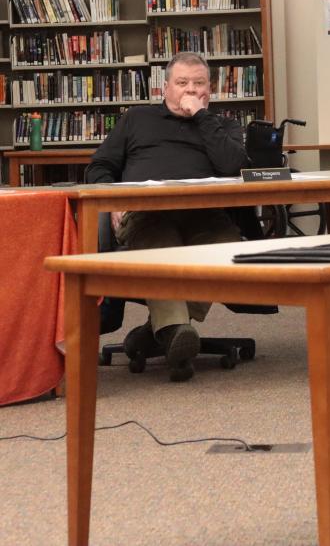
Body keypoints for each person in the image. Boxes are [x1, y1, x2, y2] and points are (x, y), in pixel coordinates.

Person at [86, 51, 248, 382]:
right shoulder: (137, 119)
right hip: (146, 215)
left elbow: (233, 166)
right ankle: (176, 331)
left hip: (205, 217)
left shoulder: (222, 125)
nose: (190, 90)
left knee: (226, 247)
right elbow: (98, 167)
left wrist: (202, 117)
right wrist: (113, 199)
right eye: (182, 83)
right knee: (163, 245)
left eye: (199, 83)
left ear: (210, 90)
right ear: (164, 88)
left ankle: (159, 333)